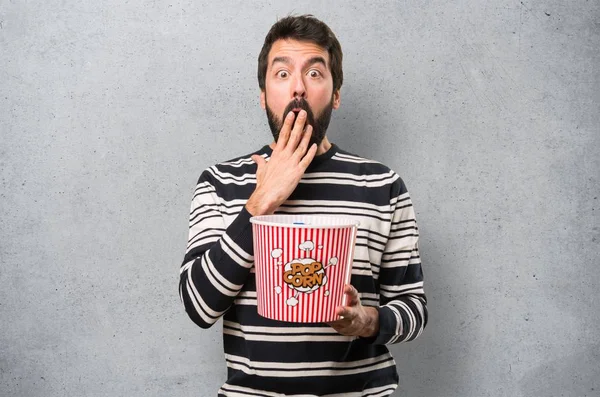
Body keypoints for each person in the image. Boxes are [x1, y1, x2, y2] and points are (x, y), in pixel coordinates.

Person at [179, 14, 427, 396]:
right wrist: (260, 202)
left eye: (314, 73)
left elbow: (414, 308)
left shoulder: (382, 185)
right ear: (262, 94)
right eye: (281, 74)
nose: (298, 87)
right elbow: (198, 306)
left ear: (336, 94)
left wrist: (367, 321)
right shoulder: (221, 183)